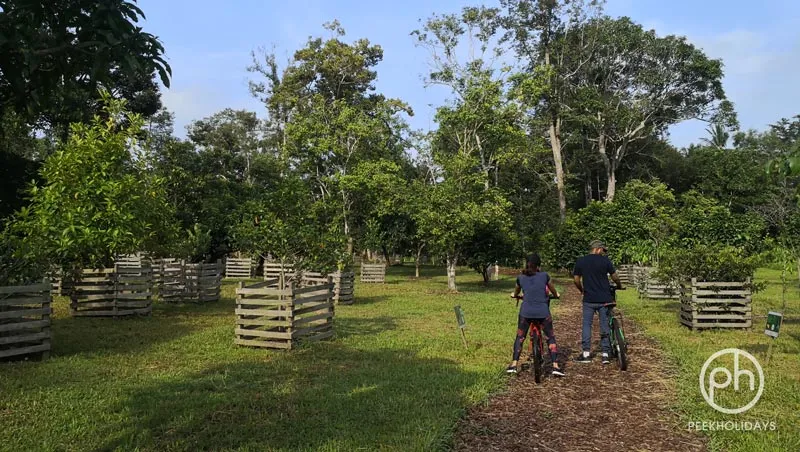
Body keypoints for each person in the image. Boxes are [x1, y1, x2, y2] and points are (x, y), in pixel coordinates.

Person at [506, 253, 565, 377]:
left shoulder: (520, 277)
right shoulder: (545, 276)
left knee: (520, 337)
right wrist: (556, 295)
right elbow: (553, 290)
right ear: (539, 265)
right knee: (550, 337)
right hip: (543, 312)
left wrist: (515, 295)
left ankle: (513, 364)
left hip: (526, 313)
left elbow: (516, 291)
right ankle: (555, 365)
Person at [572, 240, 623, 364]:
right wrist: (619, 285)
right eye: (603, 250)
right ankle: (605, 354)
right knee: (604, 324)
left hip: (589, 299)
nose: (603, 253)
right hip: (604, 299)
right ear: (598, 249)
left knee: (586, 325)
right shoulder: (605, 261)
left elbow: (576, 279)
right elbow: (614, 276)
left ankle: (586, 354)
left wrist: (581, 290)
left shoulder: (581, 261)